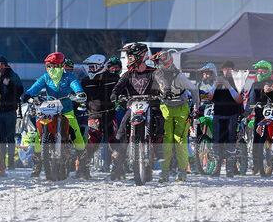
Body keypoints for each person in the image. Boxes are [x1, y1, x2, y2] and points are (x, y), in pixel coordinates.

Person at [23, 51, 86, 177]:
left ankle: (83, 167)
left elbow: (76, 86)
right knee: (38, 135)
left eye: (55, 65)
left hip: (66, 110)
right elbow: (35, 87)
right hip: (49, 110)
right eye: (49, 66)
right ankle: (37, 165)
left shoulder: (69, 77)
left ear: (62, 65)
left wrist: (79, 93)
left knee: (77, 134)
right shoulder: (45, 77)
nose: (52, 68)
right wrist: (28, 95)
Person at [109, 42, 159, 180]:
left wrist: (165, 90)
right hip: (133, 106)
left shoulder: (153, 72)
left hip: (151, 106)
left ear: (141, 56)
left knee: (160, 124)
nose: (128, 60)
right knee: (121, 130)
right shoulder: (128, 74)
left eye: (130, 57)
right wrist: (115, 94)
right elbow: (118, 87)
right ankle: (118, 167)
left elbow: (162, 82)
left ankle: (159, 154)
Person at [151, 50, 198, 182]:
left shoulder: (179, 77)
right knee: (166, 141)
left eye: (159, 63)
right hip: (165, 108)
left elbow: (194, 89)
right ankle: (165, 171)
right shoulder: (156, 75)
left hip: (181, 109)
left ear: (166, 63)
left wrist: (195, 107)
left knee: (180, 141)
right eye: (156, 64)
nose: (157, 66)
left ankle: (182, 171)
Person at [80, 54, 117, 179]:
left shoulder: (114, 78)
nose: (91, 69)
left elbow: (123, 90)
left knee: (114, 141)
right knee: (93, 142)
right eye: (89, 67)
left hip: (111, 114)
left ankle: (118, 169)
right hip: (94, 115)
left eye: (93, 66)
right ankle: (83, 169)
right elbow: (79, 96)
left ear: (102, 66)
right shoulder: (85, 81)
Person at [243, 60, 273, 176]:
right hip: (259, 115)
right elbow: (251, 100)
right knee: (256, 140)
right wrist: (246, 112)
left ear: (268, 71)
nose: (260, 72)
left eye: (262, 70)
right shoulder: (255, 85)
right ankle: (257, 165)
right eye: (258, 70)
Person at [0, 55, 24, 170]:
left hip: (10, 112)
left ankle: (11, 164)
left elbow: (20, 91)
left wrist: (9, 85)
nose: (0, 66)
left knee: (10, 138)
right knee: (0, 138)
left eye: (2, 64)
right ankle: (1, 163)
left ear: (6, 65)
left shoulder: (13, 76)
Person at [209, 60, 243, 176]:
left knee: (231, 141)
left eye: (229, 69)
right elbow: (210, 97)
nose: (227, 72)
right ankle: (216, 169)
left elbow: (239, 99)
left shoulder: (237, 82)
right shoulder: (217, 82)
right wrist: (214, 85)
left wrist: (229, 86)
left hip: (232, 114)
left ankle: (230, 169)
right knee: (216, 142)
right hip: (218, 114)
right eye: (225, 69)